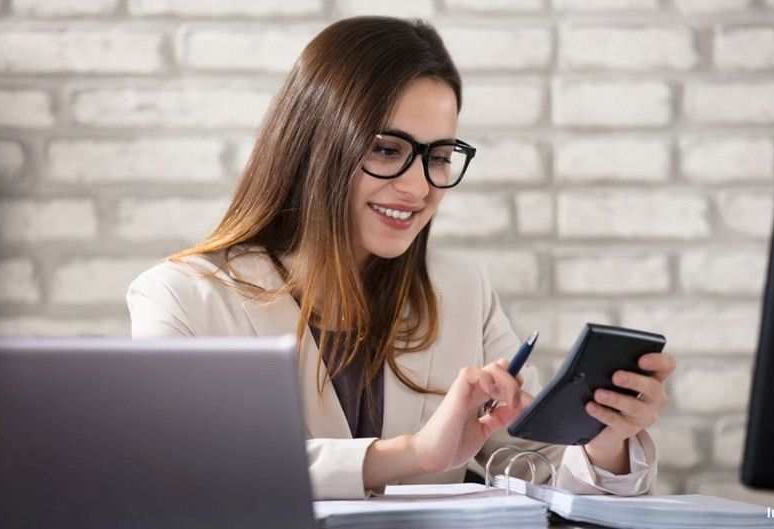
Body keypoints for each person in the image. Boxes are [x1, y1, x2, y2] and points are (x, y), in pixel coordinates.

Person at [127, 16, 675, 501]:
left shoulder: (463, 291)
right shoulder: (182, 298)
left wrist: (603, 442)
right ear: (317, 144)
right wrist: (414, 454)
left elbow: (540, 472)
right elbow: (186, 473)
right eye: (387, 150)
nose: (418, 187)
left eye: (439, 157)